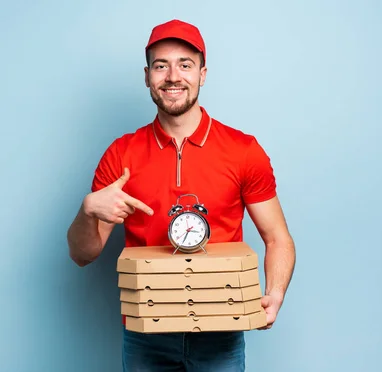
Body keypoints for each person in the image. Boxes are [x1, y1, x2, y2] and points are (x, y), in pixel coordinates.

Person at [67, 19, 296, 371]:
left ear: (203, 74)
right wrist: (88, 211)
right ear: (147, 76)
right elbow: (83, 254)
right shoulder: (121, 155)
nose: (173, 76)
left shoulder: (243, 151)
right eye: (161, 66)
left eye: (185, 65)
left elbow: (278, 238)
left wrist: (275, 294)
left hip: (222, 329)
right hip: (146, 332)